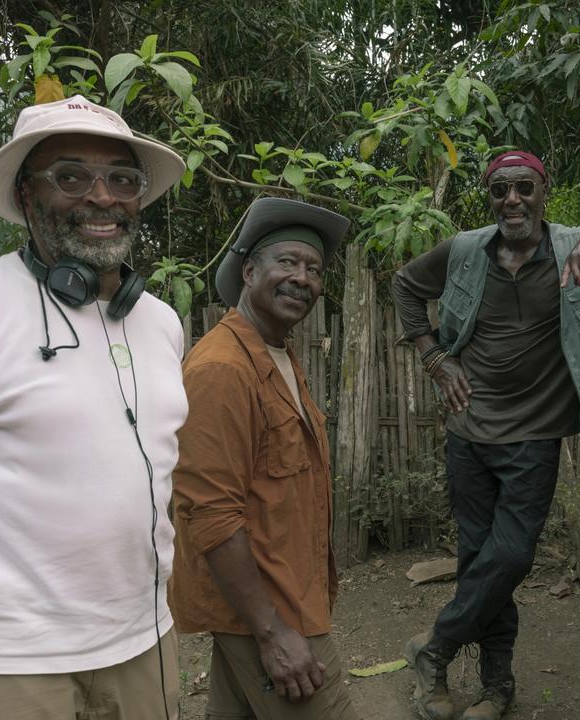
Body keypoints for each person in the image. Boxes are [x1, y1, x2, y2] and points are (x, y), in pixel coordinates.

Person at [0, 95, 188, 719]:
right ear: (27, 197)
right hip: (0, 662)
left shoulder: (162, 323)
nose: (102, 196)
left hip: (145, 644)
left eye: (121, 178)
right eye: (71, 176)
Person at [392, 150, 580, 720]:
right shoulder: (463, 251)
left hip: (532, 436)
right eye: (500, 189)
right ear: (489, 196)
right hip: (467, 432)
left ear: (543, 191)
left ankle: (434, 649)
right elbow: (405, 286)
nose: (513, 200)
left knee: (510, 555)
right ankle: (497, 687)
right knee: (482, 558)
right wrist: (434, 359)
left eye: (524, 188)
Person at [170, 196, 359, 720]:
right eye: (288, 263)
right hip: (272, 610)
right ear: (249, 271)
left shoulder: (275, 351)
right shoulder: (222, 369)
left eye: (314, 269)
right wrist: (273, 633)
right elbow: (210, 513)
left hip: (275, 595)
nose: (302, 278)